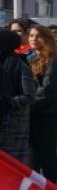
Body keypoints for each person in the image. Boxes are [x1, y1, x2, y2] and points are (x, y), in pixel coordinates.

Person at [26, 25, 57, 182]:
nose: (33, 39)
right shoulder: (30, 58)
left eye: (38, 36)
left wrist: (27, 104)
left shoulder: (54, 62)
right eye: (31, 36)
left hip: (47, 115)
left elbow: (48, 91)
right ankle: (35, 189)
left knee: (47, 154)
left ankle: (52, 188)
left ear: (47, 39)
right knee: (32, 156)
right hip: (32, 114)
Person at [0, 29, 34, 162]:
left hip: (13, 124)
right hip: (2, 119)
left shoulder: (19, 65)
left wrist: (8, 102)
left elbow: (29, 95)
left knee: (12, 163)